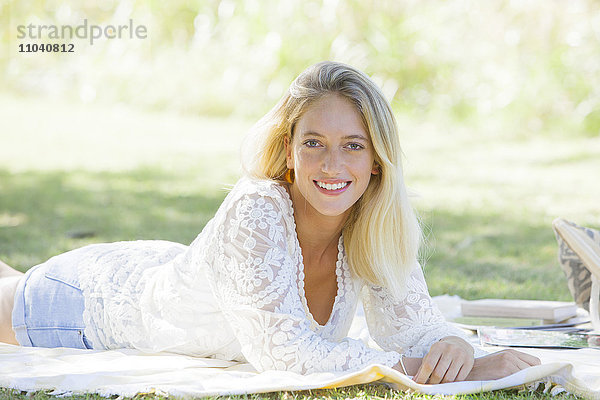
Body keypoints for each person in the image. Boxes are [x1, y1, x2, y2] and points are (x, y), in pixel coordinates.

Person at [0, 61, 540, 384]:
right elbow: (287, 356)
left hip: (157, 270)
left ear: (376, 158)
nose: (333, 166)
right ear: (289, 150)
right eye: (314, 144)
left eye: (353, 146)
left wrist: (457, 350)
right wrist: (423, 366)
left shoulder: (375, 222)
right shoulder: (257, 207)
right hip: (84, 309)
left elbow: (415, 328)